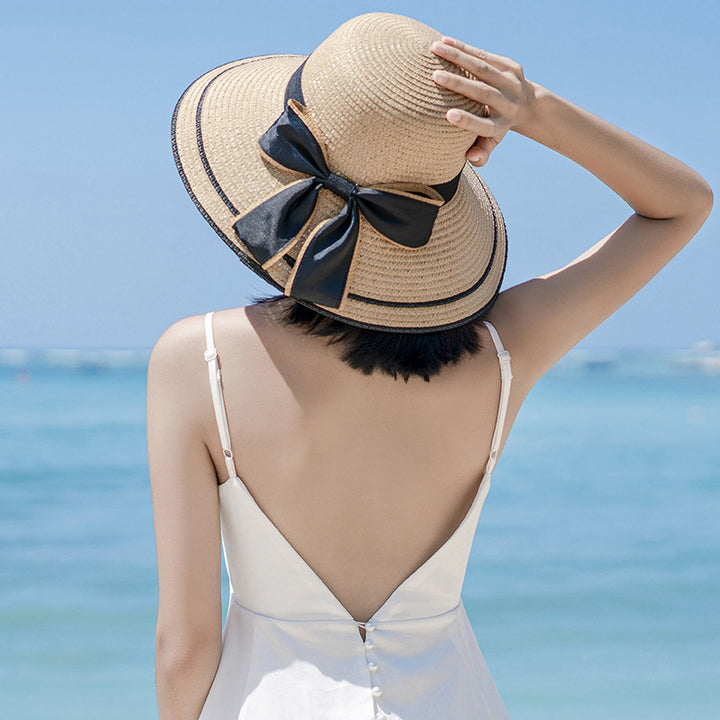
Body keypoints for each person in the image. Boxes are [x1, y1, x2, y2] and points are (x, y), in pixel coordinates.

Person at [147, 12, 712, 720]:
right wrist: (536, 112)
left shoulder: (198, 360)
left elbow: (184, 648)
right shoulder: (504, 353)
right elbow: (682, 207)